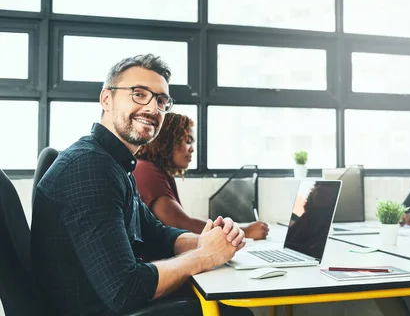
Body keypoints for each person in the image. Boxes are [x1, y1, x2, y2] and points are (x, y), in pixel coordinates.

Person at [31, 54, 251, 316]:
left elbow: (156, 233)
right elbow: (125, 290)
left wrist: (207, 240)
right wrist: (206, 256)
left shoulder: (115, 163)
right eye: (138, 94)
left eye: (160, 100)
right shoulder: (90, 166)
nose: (152, 108)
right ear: (106, 99)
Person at [134, 112, 269, 240]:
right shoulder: (146, 170)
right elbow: (180, 223)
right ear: (167, 140)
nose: (192, 149)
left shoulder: (158, 172)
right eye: (188, 141)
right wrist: (246, 232)